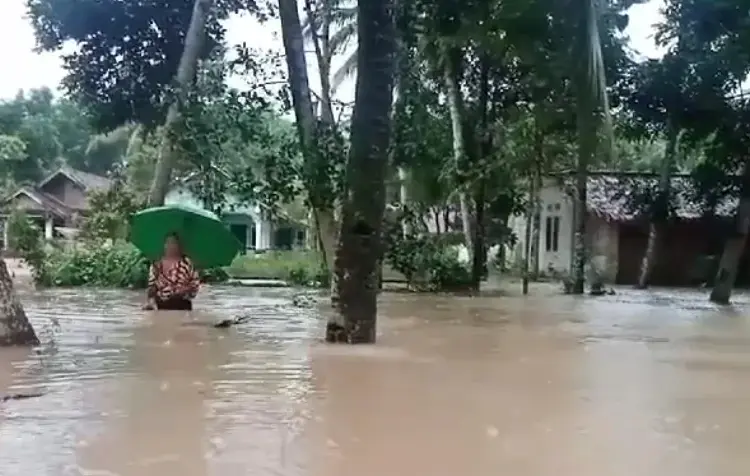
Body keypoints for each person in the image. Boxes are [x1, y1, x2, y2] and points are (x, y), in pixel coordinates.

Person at [143, 233, 200, 311]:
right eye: (168, 242)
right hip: (161, 305)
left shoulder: (186, 263)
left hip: (182, 304)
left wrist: (185, 289)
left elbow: (195, 285)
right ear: (164, 245)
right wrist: (150, 302)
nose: (170, 245)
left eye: (173, 242)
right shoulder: (157, 264)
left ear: (178, 246)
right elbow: (151, 287)